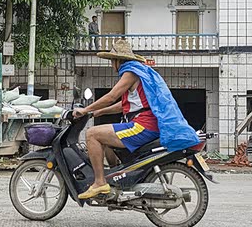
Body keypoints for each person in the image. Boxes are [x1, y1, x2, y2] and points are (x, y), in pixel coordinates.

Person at [72, 40, 199, 199]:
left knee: (92, 134)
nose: (111, 65)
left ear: (118, 60)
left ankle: (99, 182)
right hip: (147, 124)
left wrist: (85, 110)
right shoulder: (138, 72)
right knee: (104, 138)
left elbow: (111, 96)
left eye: (112, 61)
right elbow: (124, 105)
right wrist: (99, 112)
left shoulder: (130, 73)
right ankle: (115, 180)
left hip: (143, 126)